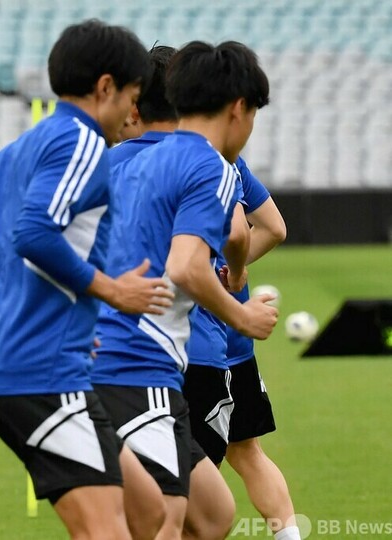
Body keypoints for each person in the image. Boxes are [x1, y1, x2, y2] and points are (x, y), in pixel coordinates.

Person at [0, 20, 176, 539]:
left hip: (24, 367)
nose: (133, 112)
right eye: (132, 97)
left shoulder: (20, 148)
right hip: (42, 372)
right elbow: (35, 233)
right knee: (106, 530)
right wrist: (114, 291)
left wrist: (17, 303)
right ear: (107, 87)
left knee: (148, 512)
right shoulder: (83, 143)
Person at [89, 40, 278, 540]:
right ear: (239, 108)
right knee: (167, 523)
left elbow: (232, 234)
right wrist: (243, 313)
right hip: (133, 367)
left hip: (107, 363)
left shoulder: (129, 160)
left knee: (212, 515)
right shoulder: (212, 165)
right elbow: (189, 264)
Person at [223, 189, 300, 540]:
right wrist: (233, 271)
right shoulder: (233, 166)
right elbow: (273, 228)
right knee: (247, 451)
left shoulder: (146, 165)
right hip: (236, 337)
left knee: (183, 466)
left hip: (182, 341)